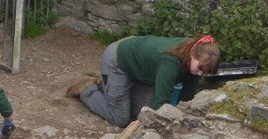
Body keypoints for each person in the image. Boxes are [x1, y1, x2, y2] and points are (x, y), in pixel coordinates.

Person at [67, 34, 221, 127]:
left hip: (138, 67)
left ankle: (108, 86)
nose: (200, 74)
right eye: (200, 68)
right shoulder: (170, 63)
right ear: (193, 53)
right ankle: (87, 90)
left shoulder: (194, 54)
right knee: (120, 118)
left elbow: (188, 96)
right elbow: (162, 104)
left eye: (205, 72)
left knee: (139, 114)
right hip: (117, 62)